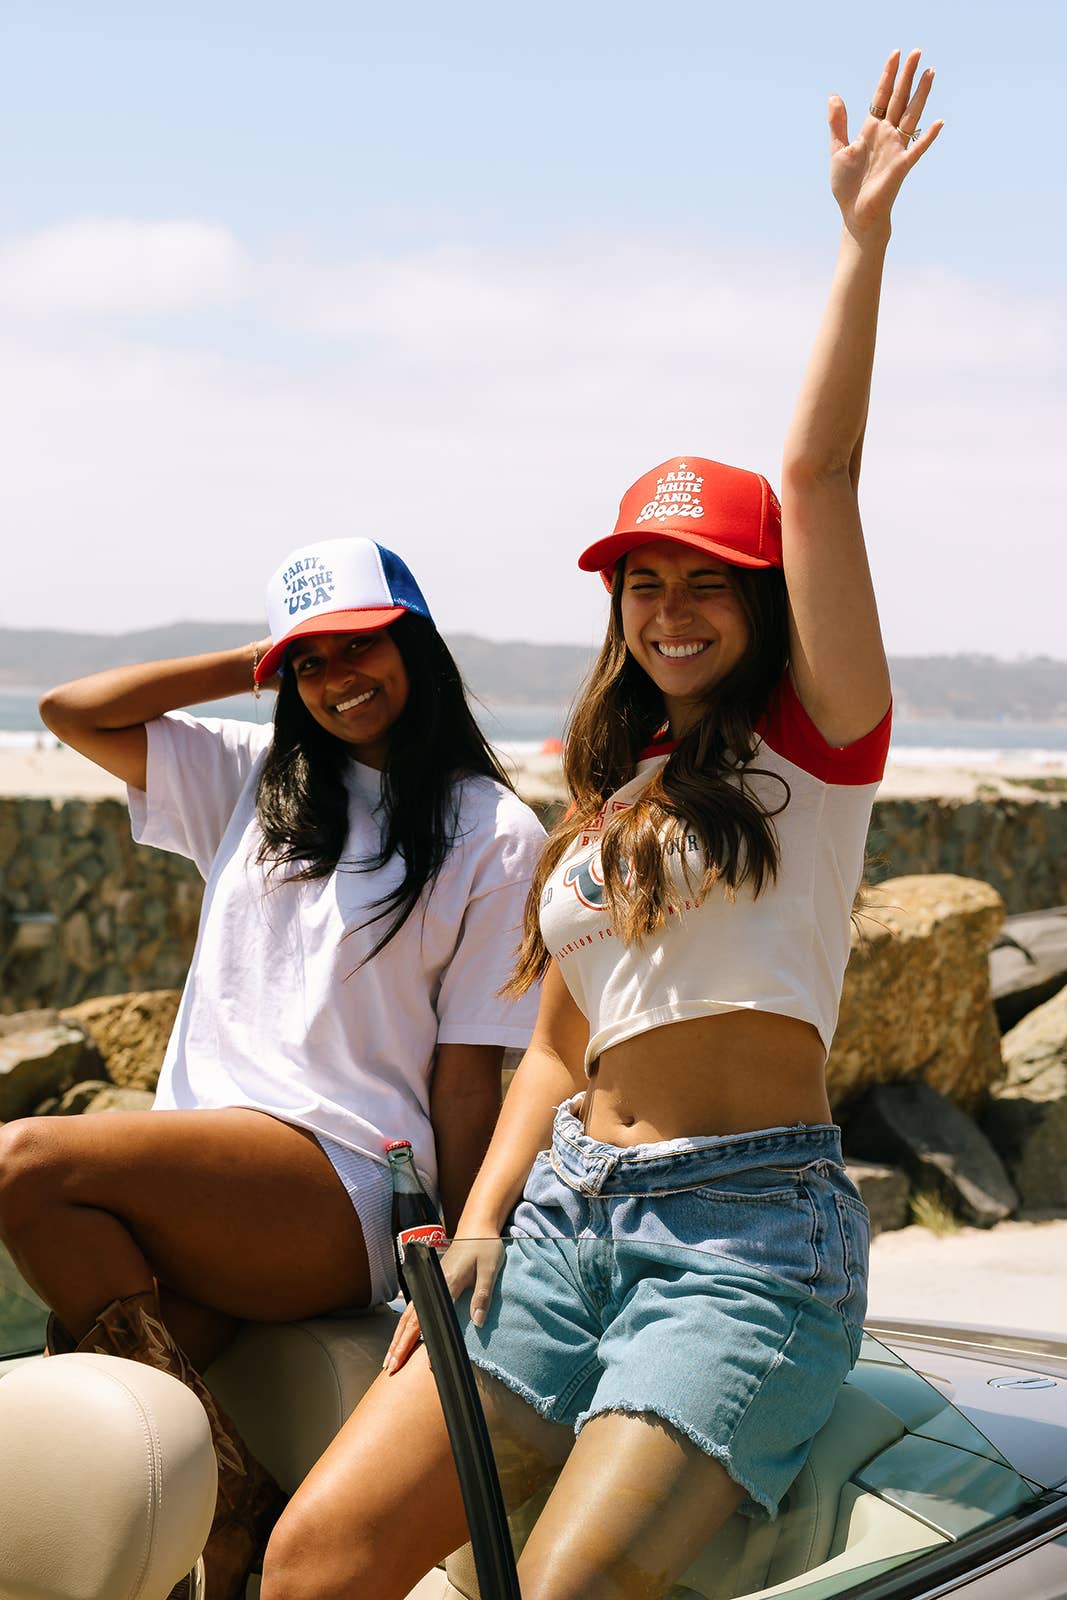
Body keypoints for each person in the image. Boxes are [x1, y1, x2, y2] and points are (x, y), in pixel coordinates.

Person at [257, 50, 943, 1600]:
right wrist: (480, 1221)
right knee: (312, 1563)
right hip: (561, 1222)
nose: (670, 608)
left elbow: (818, 474)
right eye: (643, 581)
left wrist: (860, 240)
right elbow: (558, 1045)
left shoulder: (816, 749)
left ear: (762, 603)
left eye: (706, 581)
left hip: (743, 1244)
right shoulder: (611, 798)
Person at [0, 535, 545, 1599]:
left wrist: (468, 1245)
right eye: (309, 661)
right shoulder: (253, 776)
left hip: (347, 1180)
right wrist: (257, 655)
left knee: (23, 1164)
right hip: (213, 1179)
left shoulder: (492, 830)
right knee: (97, 1388)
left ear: (415, 644)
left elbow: (466, 1075)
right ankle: (213, 1532)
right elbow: (72, 711)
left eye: (360, 646)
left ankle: (234, 1511)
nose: (338, 679)